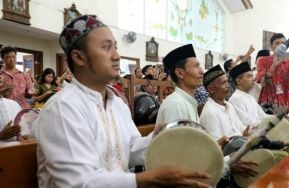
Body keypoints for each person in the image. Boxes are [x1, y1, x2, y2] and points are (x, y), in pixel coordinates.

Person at [32, 15, 211, 188]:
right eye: (106, 47)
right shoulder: (63, 108)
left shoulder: (116, 104)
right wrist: (144, 180)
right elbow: (79, 183)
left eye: (115, 47)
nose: (116, 55)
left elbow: (130, 150)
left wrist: (158, 138)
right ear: (79, 57)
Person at [156, 44, 204, 124]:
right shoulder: (175, 104)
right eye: (196, 66)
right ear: (180, 73)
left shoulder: (186, 101)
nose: (202, 71)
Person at [200, 65, 249, 139]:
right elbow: (216, 145)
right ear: (211, 89)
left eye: (227, 82)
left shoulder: (229, 105)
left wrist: (245, 132)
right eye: (223, 83)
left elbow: (241, 128)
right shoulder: (209, 112)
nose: (228, 86)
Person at [256, 33, 289, 114]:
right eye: (277, 43)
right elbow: (263, 83)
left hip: (283, 103)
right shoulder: (263, 60)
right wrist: (272, 67)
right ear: (271, 46)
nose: (281, 45)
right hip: (267, 103)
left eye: (283, 43)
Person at [229, 62, 272, 128]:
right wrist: (270, 124)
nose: (253, 79)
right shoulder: (235, 98)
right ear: (239, 81)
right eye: (249, 76)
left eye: (253, 76)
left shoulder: (250, 97)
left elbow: (263, 116)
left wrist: (280, 118)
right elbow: (247, 122)